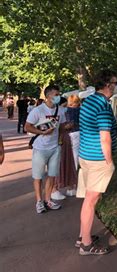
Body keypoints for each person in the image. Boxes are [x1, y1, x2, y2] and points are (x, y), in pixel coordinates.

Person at [77, 69, 117, 255]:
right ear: (108, 85)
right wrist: (109, 161)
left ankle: (82, 236)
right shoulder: (102, 105)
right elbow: (105, 138)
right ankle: (86, 245)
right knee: (91, 201)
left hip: (85, 156)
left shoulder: (88, 101)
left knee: (89, 199)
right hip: (98, 160)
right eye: (115, 83)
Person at [25, 85, 66, 214]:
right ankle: (39, 201)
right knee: (38, 176)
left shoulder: (60, 110)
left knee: (52, 175)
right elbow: (27, 127)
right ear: (48, 96)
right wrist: (41, 132)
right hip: (40, 148)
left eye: (59, 94)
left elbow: (62, 127)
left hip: (55, 148)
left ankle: (48, 200)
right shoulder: (38, 110)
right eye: (56, 94)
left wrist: (60, 140)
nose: (58, 96)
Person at [58, 95, 81, 197]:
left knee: (70, 159)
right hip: (78, 134)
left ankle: (71, 185)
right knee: (75, 159)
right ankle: (74, 185)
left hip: (68, 135)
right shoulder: (80, 110)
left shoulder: (65, 110)